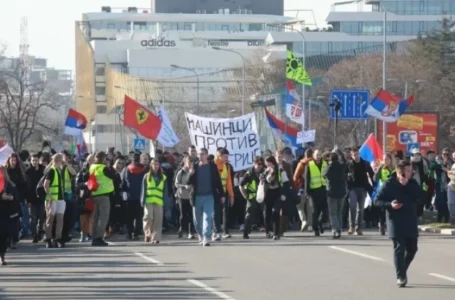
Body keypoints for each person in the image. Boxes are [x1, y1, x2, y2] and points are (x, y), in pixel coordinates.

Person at [374, 160, 423, 287]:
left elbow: (420, 196)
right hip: (395, 221)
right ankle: (400, 276)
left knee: (412, 249)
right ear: (400, 171)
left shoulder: (412, 183)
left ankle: (402, 269)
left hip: (410, 219)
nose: (411, 172)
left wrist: (408, 185)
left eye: (410, 170)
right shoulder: (388, 184)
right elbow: (377, 201)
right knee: (399, 249)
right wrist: (390, 205)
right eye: (408, 170)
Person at [188, 148, 225, 247]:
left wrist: (222, 194)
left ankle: (205, 237)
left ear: (207, 155)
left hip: (209, 196)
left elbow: (218, 181)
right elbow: (188, 182)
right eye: (199, 154)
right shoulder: (195, 166)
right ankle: (200, 235)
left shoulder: (212, 167)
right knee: (197, 220)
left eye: (203, 154)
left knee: (207, 217)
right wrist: (191, 173)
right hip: (197, 197)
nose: (200, 156)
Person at [89, 151, 116, 246]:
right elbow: (114, 176)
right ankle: (99, 237)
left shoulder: (92, 167)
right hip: (104, 195)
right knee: (103, 218)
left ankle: (94, 237)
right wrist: (110, 166)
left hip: (95, 194)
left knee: (96, 218)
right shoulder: (103, 168)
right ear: (104, 159)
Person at [346, 147, 374, 235]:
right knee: (352, 207)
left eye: (357, 154)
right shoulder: (348, 164)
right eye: (354, 155)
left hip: (363, 188)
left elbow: (372, 175)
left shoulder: (365, 163)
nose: (356, 156)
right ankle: (352, 226)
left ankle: (358, 227)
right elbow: (344, 175)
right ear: (351, 155)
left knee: (360, 209)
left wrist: (373, 185)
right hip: (352, 188)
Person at [141, 158, 169, 243]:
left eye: (157, 164)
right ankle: (147, 233)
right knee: (148, 217)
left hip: (159, 201)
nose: (155, 166)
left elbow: (165, 191)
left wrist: (166, 202)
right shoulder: (147, 176)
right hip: (148, 200)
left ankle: (155, 237)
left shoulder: (163, 177)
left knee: (158, 220)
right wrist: (142, 200)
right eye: (153, 164)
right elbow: (143, 189)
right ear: (151, 165)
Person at [322, 147, 347, 239]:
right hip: (341, 192)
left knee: (333, 213)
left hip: (332, 192)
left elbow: (324, 175)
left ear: (330, 160)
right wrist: (339, 151)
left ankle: (336, 230)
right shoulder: (341, 166)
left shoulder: (328, 169)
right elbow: (344, 161)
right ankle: (339, 228)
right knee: (339, 212)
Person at [43, 154, 67, 248]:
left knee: (60, 219)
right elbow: (46, 184)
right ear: (58, 160)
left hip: (60, 198)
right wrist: (50, 196)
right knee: (50, 220)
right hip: (52, 199)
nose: (63, 162)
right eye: (62, 160)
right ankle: (48, 239)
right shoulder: (52, 170)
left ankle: (58, 238)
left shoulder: (58, 170)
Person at [122, 152, 147, 240]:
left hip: (129, 196)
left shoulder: (127, 169)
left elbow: (123, 183)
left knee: (130, 216)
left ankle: (130, 232)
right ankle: (136, 233)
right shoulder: (144, 170)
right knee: (139, 216)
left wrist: (123, 192)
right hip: (140, 195)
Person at [304, 149, 328, 236]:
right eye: (317, 155)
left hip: (324, 189)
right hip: (313, 191)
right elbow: (307, 179)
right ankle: (316, 229)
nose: (318, 156)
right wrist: (306, 192)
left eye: (319, 155)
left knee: (325, 210)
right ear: (313, 155)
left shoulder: (325, 163)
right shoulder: (309, 165)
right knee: (315, 211)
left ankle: (320, 222)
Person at [240, 156, 264, 239]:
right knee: (249, 215)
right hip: (252, 197)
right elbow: (240, 185)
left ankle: (268, 231)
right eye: (258, 164)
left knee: (265, 213)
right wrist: (245, 196)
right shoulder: (249, 173)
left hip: (262, 196)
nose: (260, 166)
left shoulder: (264, 172)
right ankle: (245, 233)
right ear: (254, 163)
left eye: (261, 164)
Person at [263, 156, 287, 240]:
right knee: (267, 214)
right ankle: (268, 231)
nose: (267, 165)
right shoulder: (265, 171)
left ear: (272, 163)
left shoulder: (280, 170)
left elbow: (286, 182)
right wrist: (264, 176)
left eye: (268, 163)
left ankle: (276, 233)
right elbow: (264, 181)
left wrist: (284, 193)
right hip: (268, 193)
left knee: (275, 212)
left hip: (278, 193)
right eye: (266, 164)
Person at [213, 148, 234, 240]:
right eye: (225, 156)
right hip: (214, 193)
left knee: (225, 212)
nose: (226, 158)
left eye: (227, 156)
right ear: (219, 156)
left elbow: (229, 181)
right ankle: (216, 231)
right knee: (216, 213)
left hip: (223, 193)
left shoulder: (227, 166)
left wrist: (231, 195)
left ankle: (225, 231)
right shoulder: (213, 164)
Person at [6, 153, 28, 240]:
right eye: (12, 160)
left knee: (18, 217)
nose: (13, 162)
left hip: (19, 197)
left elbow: (24, 185)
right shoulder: (6, 171)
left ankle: (18, 233)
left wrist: (24, 197)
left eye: (15, 160)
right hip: (8, 197)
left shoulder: (20, 171)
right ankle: (10, 237)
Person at [373, 153, 396, 235]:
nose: (385, 161)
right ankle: (381, 225)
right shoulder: (382, 169)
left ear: (391, 160)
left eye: (387, 159)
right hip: (383, 190)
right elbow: (375, 179)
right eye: (384, 159)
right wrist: (378, 170)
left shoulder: (395, 169)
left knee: (391, 209)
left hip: (393, 191)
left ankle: (390, 225)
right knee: (382, 209)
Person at [26, 154, 46, 243]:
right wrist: (28, 200)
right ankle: (34, 234)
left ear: (38, 161)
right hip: (32, 198)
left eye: (36, 160)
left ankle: (39, 233)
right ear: (30, 161)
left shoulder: (43, 170)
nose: (34, 162)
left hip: (41, 198)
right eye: (33, 160)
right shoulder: (28, 172)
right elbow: (26, 187)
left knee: (41, 217)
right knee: (32, 218)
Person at [175, 156, 195, 239]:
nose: (190, 164)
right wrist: (184, 186)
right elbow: (176, 184)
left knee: (191, 214)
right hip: (182, 196)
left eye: (191, 163)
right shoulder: (181, 172)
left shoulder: (194, 172)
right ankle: (181, 228)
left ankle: (190, 232)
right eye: (188, 163)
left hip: (191, 196)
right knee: (183, 215)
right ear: (185, 162)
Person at [293, 148, 314, 232]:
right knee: (309, 207)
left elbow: (295, 176)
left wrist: (294, 187)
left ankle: (303, 221)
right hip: (313, 187)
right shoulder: (314, 163)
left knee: (300, 206)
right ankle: (310, 225)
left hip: (301, 187)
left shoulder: (301, 163)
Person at [76, 154, 95, 242]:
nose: (92, 161)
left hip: (95, 196)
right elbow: (77, 184)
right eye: (90, 160)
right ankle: (83, 234)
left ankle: (90, 234)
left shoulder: (98, 170)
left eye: (93, 160)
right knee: (84, 218)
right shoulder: (82, 171)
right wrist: (85, 184)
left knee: (93, 217)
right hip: (84, 197)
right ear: (87, 161)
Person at [0, 166, 16, 266]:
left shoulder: (9, 184)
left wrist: (10, 197)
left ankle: (2, 256)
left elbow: (15, 196)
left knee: (4, 236)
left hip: (5, 213)